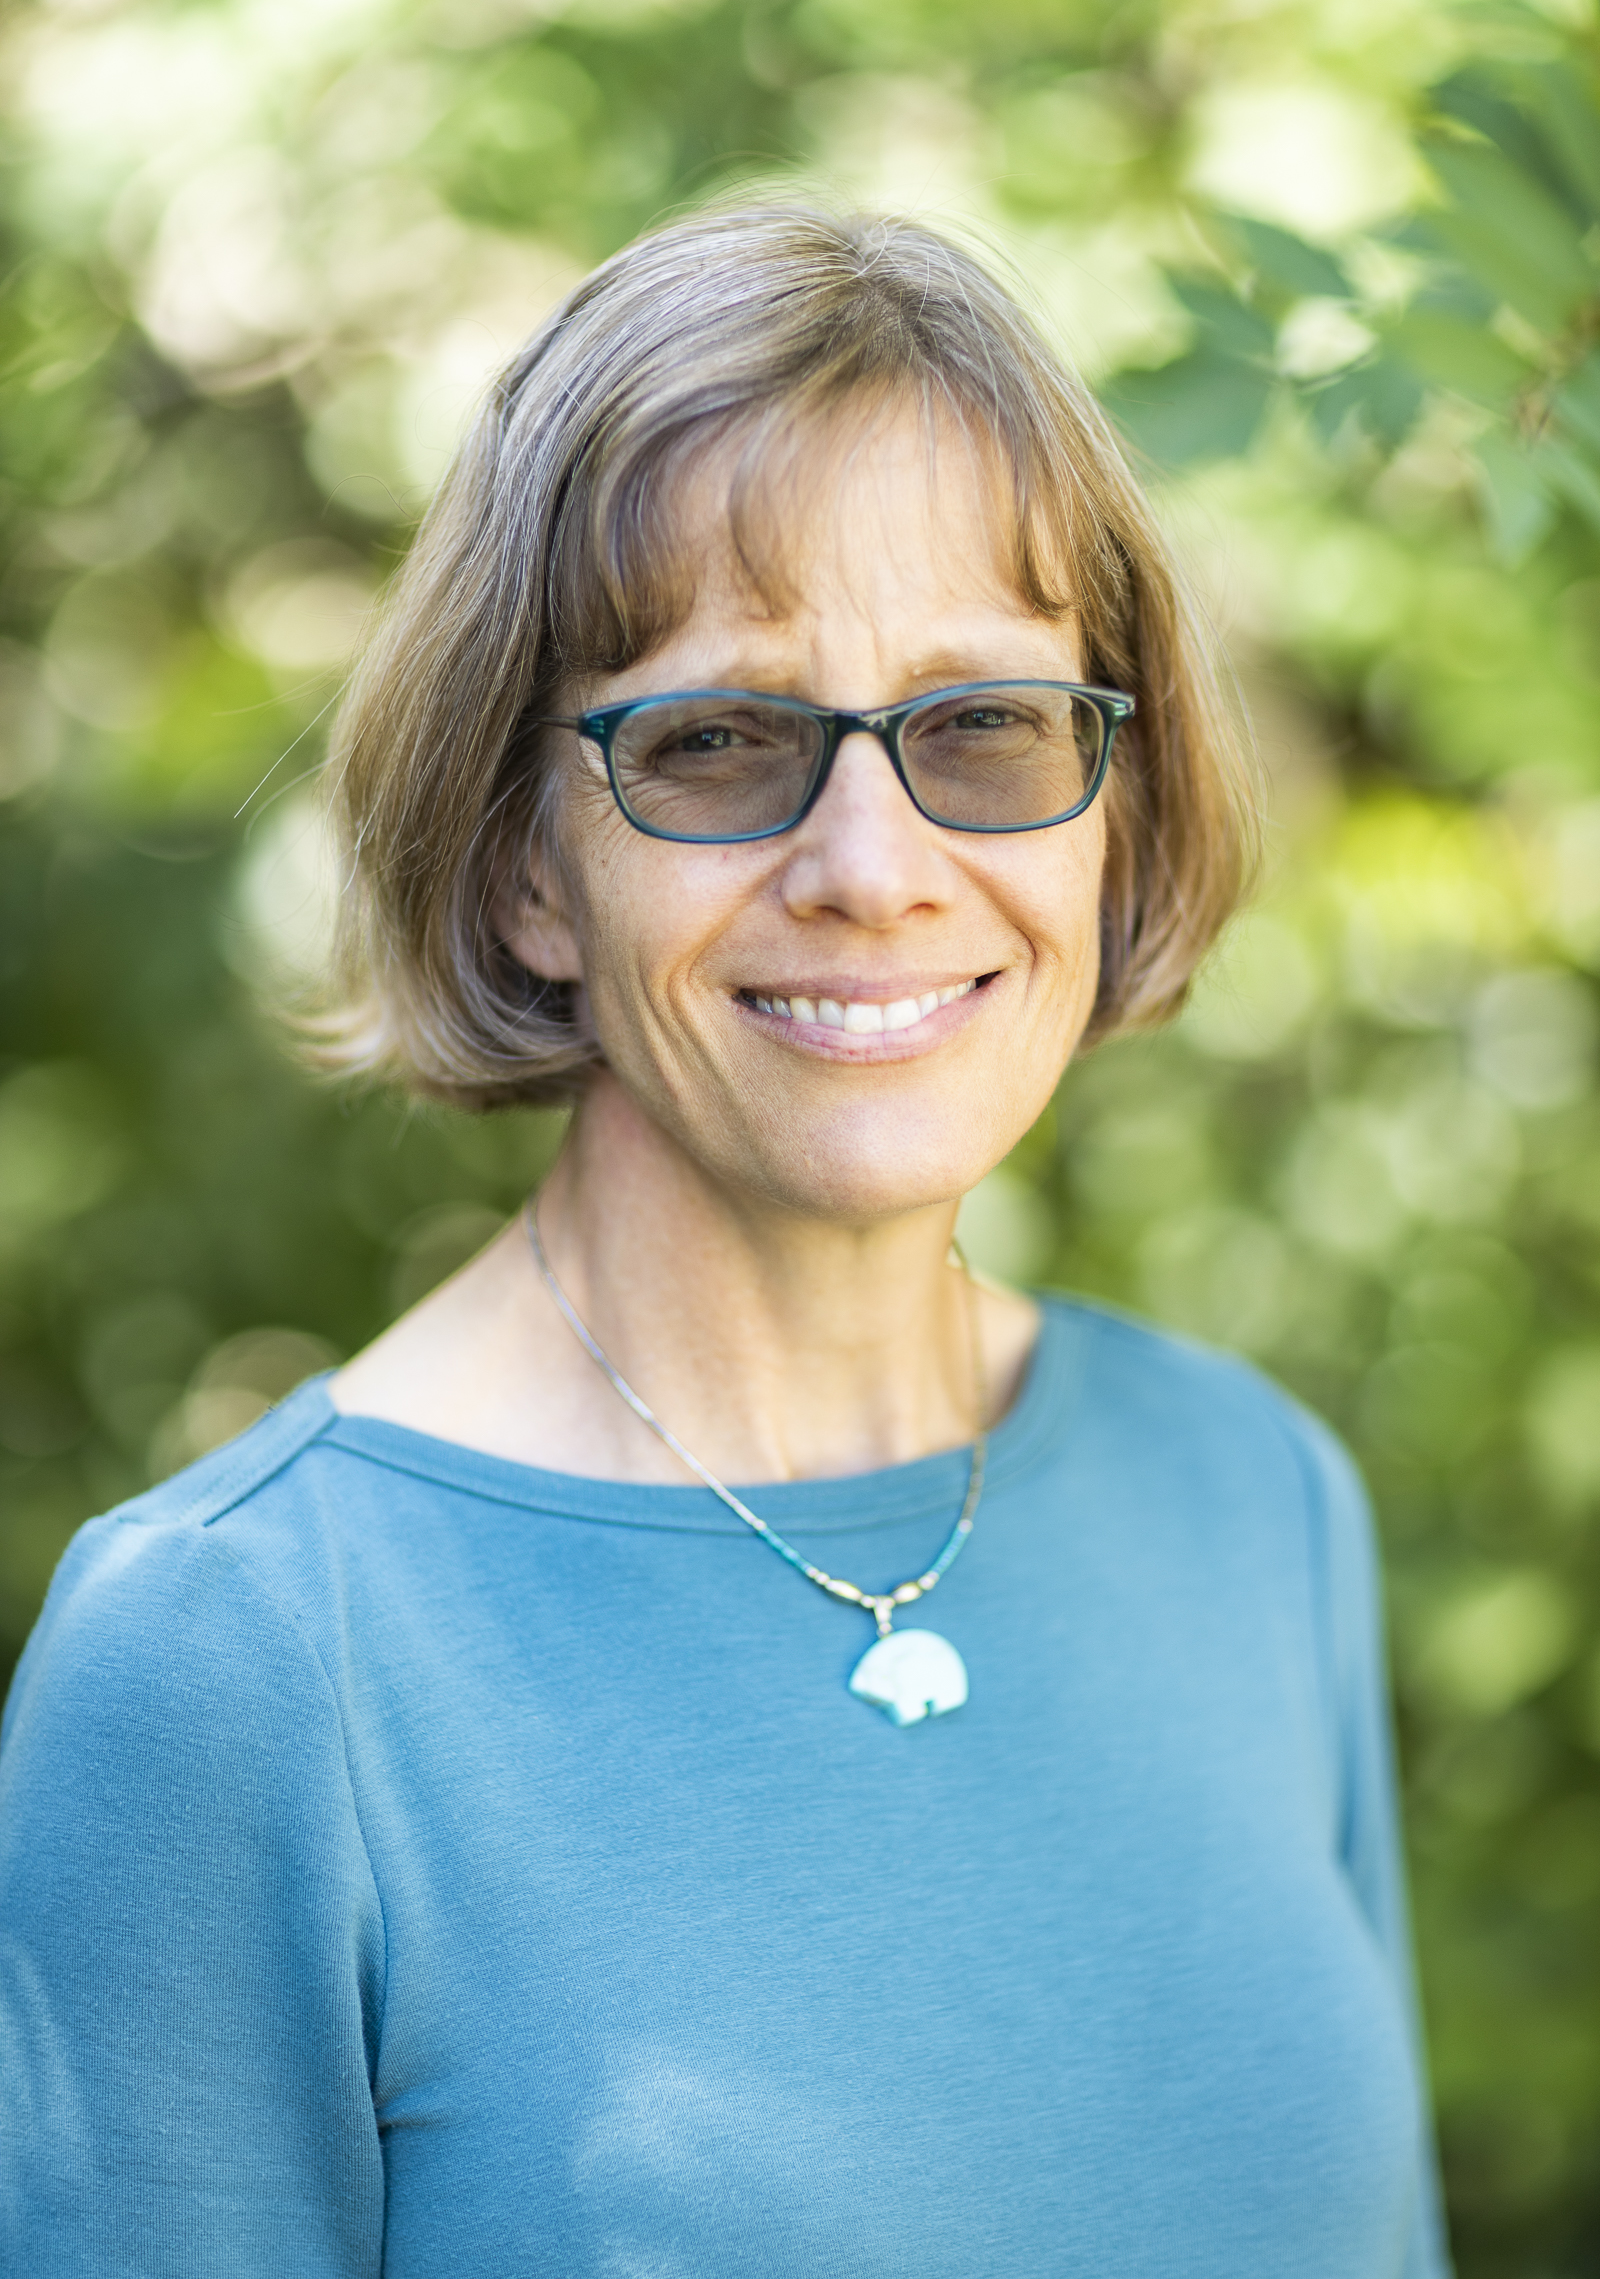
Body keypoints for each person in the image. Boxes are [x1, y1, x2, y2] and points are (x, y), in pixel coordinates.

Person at [0, 202, 1450, 2277]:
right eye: (717, 743)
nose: (875, 866)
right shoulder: (233, 1661)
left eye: (981, 728)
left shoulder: (1250, 1499)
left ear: (1105, 798)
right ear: (521, 870)